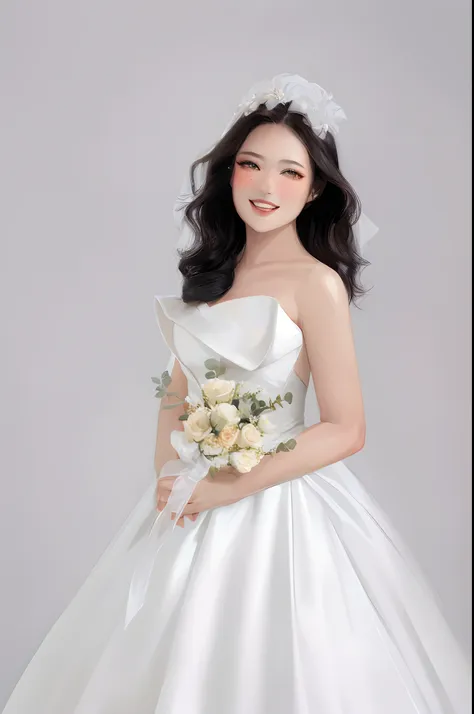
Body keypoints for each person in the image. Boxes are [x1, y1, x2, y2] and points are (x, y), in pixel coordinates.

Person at [2, 73, 470, 714]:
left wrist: (231, 486)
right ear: (229, 175)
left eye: (290, 173)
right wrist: (172, 475)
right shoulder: (209, 278)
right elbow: (176, 390)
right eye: (252, 165)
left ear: (314, 191)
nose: (268, 187)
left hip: (279, 502)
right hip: (191, 495)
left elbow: (346, 427)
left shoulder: (316, 283)